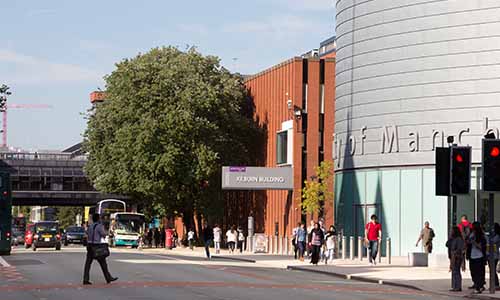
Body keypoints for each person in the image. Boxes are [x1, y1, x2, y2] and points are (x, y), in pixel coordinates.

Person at [83, 213, 118, 285]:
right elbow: (103, 234)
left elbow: (87, 234)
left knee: (88, 264)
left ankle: (85, 279)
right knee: (103, 263)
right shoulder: (99, 226)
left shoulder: (90, 226)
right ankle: (108, 278)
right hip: (97, 246)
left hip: (89, 246)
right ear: (98, 219)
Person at [468, 221, 486, 294]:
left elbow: (481, 247)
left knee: (479, 272)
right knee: (473, 272)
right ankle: (477, 284)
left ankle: (479, 286)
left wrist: (474, 242)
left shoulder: (481, 236)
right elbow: (468, 242)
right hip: (472, 256)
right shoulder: (471, 234)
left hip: (479, 256)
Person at [446, 226, 465, 292]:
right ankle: (454, 286)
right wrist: (450, 238)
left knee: (456, 271)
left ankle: (458, 286)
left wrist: (455, 253)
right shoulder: (452, 239)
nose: (451, 232)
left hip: (457, 257)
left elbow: (460, 248)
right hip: (453, 256)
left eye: (452, 231)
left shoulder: (459, 239)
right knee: (453, 271)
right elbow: (447, 244)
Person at [491, 223, 500, 289]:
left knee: (493, 270)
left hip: (495, 255)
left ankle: (496, 284)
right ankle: (494, 284)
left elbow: (492, 242)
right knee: (492, 270)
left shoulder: (497, 236)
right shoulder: (495, 236)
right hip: (493, 254)